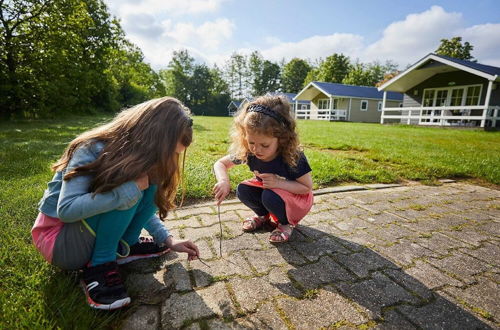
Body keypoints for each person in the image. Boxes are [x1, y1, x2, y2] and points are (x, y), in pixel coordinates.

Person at [31, 97, 200, 310]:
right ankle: (100, 265)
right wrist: (127, 191)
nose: (168, 159)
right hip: (60, 242)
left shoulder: (136, 158)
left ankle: (124, 246)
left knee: (148, 185)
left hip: (83, 233)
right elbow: (66, 210)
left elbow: (136, 202)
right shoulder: (91, 148)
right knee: (130, 188)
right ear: (151, 137)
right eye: (167, 152)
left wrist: (167, 239)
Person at [213, 95, 313, 243]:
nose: (256, 149)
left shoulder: (293, 156)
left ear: (282, 138)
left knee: (269, 196)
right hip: (270, 189)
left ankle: (285, 224)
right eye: (251, 142)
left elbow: (306, 188)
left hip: (295, 199)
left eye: (265, 145)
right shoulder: (249, 150)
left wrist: (279, 183)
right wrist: (223, 181)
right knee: (243, 190)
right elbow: (220, 164)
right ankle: (262, 216)